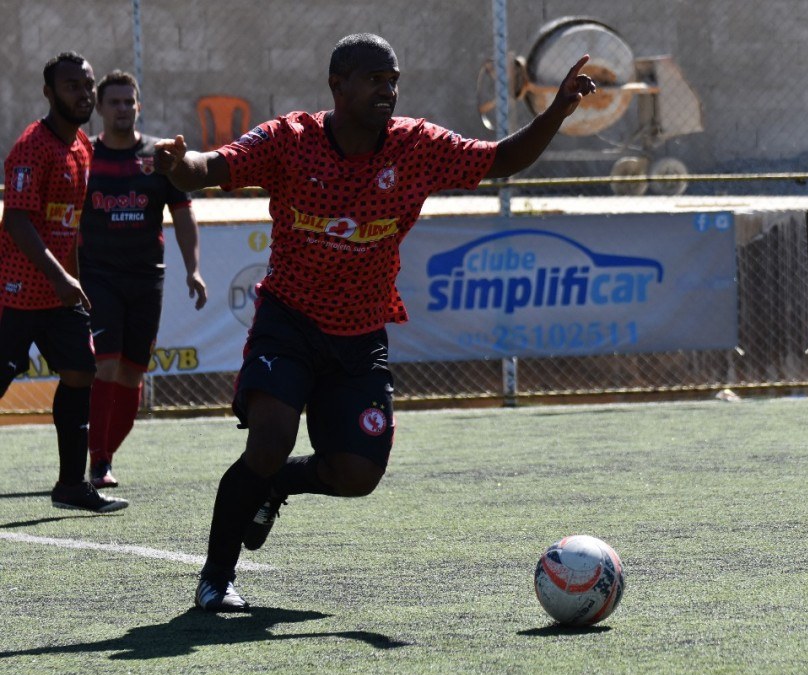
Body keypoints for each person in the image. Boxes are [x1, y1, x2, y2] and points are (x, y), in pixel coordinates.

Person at [155, 33, 596, 612]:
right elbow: (208, 168)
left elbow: (501, 160)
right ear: (337, 85)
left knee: (358, 474)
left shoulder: (416, 145)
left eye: (393, 80)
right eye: (373, 79)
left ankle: (279, 485)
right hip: (288, 321)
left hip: (360, 336)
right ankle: (216, 578)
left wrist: (556, 110)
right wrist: (177, 163)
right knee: (269, 440)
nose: (386, 89)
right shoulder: (290, 140)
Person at [0, 52, 129, 513]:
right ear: (49, 93)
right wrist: (60, 276)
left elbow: (66, 224)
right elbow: (16, 220)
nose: (83, 93)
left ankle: (72, 486)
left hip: (59, 295)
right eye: (72, 85)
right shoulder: (32, 147)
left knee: (80, 373)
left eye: (87, 84)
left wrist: (73, 277)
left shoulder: (82, 147)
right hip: (14, 293)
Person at [80, 70, 207, 489]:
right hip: (97, 277)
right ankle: (98, 463)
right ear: (99, 108)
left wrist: (193, 268)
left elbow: (183, 214)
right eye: (113, 102)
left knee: (134, 372)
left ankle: (105, 455)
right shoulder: (83, 155)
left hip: (146, 279)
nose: (122, 109)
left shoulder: (159, 156)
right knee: (106, 363)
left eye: (128, 102)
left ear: (139, 106)